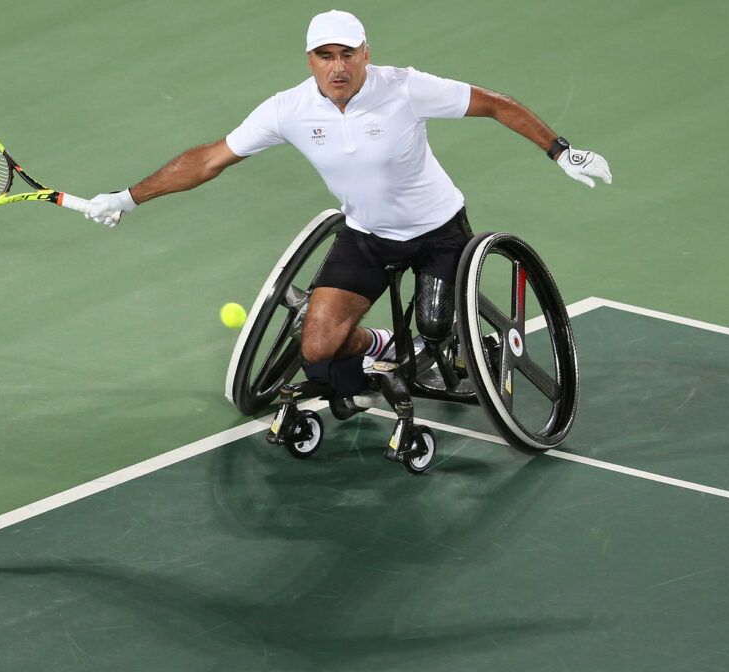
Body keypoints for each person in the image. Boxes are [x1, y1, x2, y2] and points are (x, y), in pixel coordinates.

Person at [86, 9, 611, 399]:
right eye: (325, 56)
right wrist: (128, 198)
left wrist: (560, 151)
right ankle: (380, 346)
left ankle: (440, 347)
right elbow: (208, 160)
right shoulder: (286, 110)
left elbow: (496, 105)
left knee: (433, 329)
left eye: (347, 54)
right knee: (316, 346)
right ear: (310, 60)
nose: (337, 67)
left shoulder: (406, 88)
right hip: (366, 236)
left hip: (439, 231)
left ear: (365, 53)